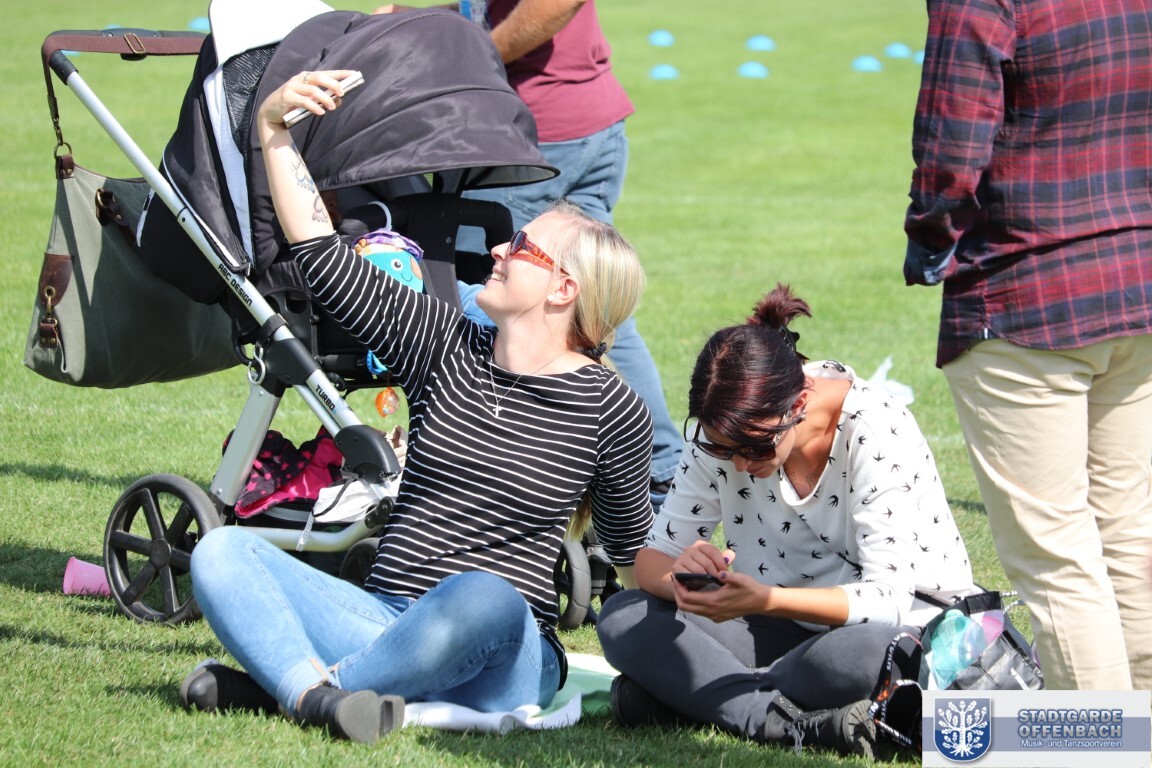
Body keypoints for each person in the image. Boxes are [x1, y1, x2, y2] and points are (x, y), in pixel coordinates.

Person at [179, 70, 655, 742]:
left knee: (487, 595)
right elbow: (322, 257)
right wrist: (272, 128)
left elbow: (632, 553)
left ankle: (297, 689)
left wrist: (696, 601)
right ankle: (320, 697)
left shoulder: (612, 408)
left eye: (522, 247)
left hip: (503, 654)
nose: (499, 248)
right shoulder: (443, 342)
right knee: (222, 551)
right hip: (384, 621)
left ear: (563, 290)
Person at [595, 285, 976, 758]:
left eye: (754, 447)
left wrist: (767, 600)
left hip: (892, 632)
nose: (738, 463)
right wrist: (683, 579)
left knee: (866, 659)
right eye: (722, 449)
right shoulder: (724, 427)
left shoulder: (875, 428)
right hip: (776, 628)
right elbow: (653, 558)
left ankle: (697, 692)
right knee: (624, 616)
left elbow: (888, 602)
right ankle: (779, 720)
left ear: (797, 406)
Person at [904, 0, 1152, 691]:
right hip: (1132, 279)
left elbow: (951, 142)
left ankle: (1107, 741)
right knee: (1129, 537)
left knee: (1059, 559)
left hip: (1025, 290)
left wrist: (930, 234)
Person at [375, 0, 682, 503]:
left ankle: (489, 463)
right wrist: (426, 17)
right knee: (592, 305)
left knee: (473, 290)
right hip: (581, 120)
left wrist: (468, 57)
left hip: (534, 138)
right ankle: (656, 469)